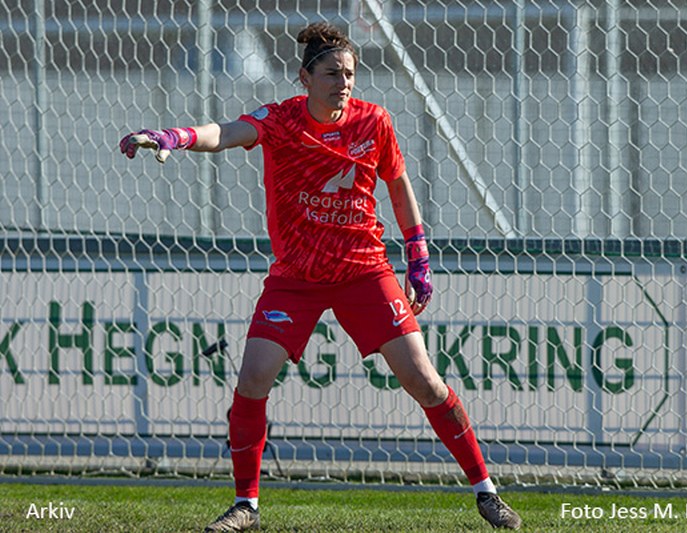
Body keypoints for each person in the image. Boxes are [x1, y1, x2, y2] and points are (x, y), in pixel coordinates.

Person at [120, 21, 521, 532]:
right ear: (305, 78)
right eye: (332, 73)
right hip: (297, 278)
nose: (344, 82)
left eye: (350, 73)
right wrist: (174, 137)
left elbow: (398, 186)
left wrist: (418, 256)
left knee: (424, 381)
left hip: (364, 271)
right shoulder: (281, 120)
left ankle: (486, 492)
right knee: (253, 379)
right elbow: (225, 133)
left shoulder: (374, 121)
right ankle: (246, 505)